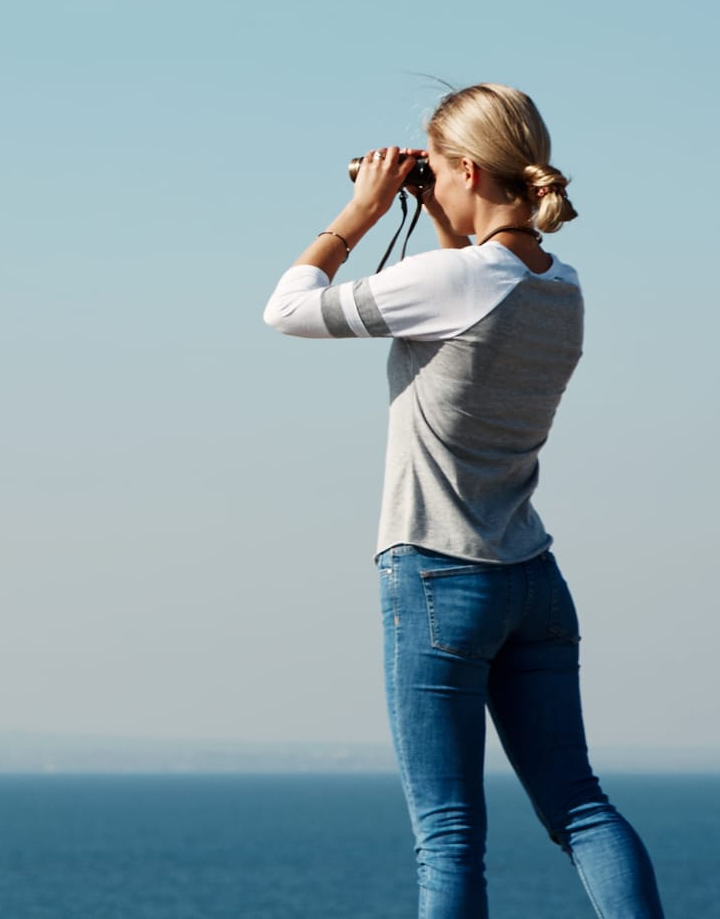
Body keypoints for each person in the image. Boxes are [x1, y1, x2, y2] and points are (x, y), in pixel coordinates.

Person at [261, 83, 666, 918]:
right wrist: (444, 215)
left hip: (437, 576)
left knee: (447, 833)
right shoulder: (564, 289)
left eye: (437, 171)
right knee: (581, 807)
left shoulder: (449, 280)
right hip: (532, 577)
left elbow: (286, 309)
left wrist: (362, 209)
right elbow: (473, 285)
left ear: (471, 171)